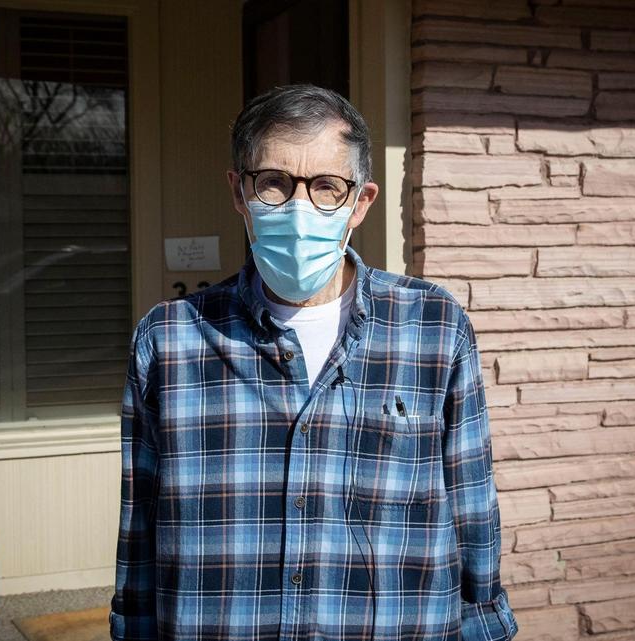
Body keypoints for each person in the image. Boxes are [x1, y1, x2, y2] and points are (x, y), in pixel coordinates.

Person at [110, 84, 518, 641]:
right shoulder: (169, 341)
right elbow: (140, 530)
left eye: (327, 187)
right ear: (239, 191)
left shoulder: (434, 326)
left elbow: (472, 509)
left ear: (360, 202)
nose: (299, 209)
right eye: (274, 183)